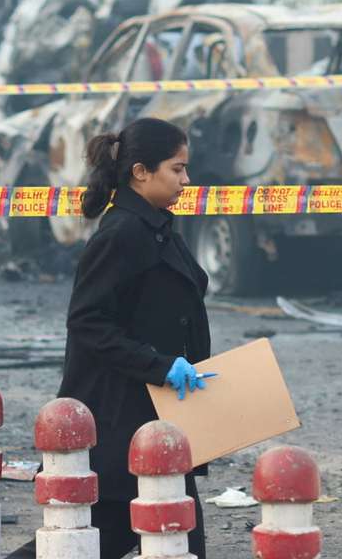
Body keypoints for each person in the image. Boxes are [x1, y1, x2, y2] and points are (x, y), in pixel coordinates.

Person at [60, 117, 212, 559]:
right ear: (141, 172)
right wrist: (160, 365)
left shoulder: (155, 225)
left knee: (158, 537)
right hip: (122, 416)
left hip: (157, 414)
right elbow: (87, 321)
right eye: (177, 169)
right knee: (91, 542)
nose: (186, 179)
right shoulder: (123, 233)